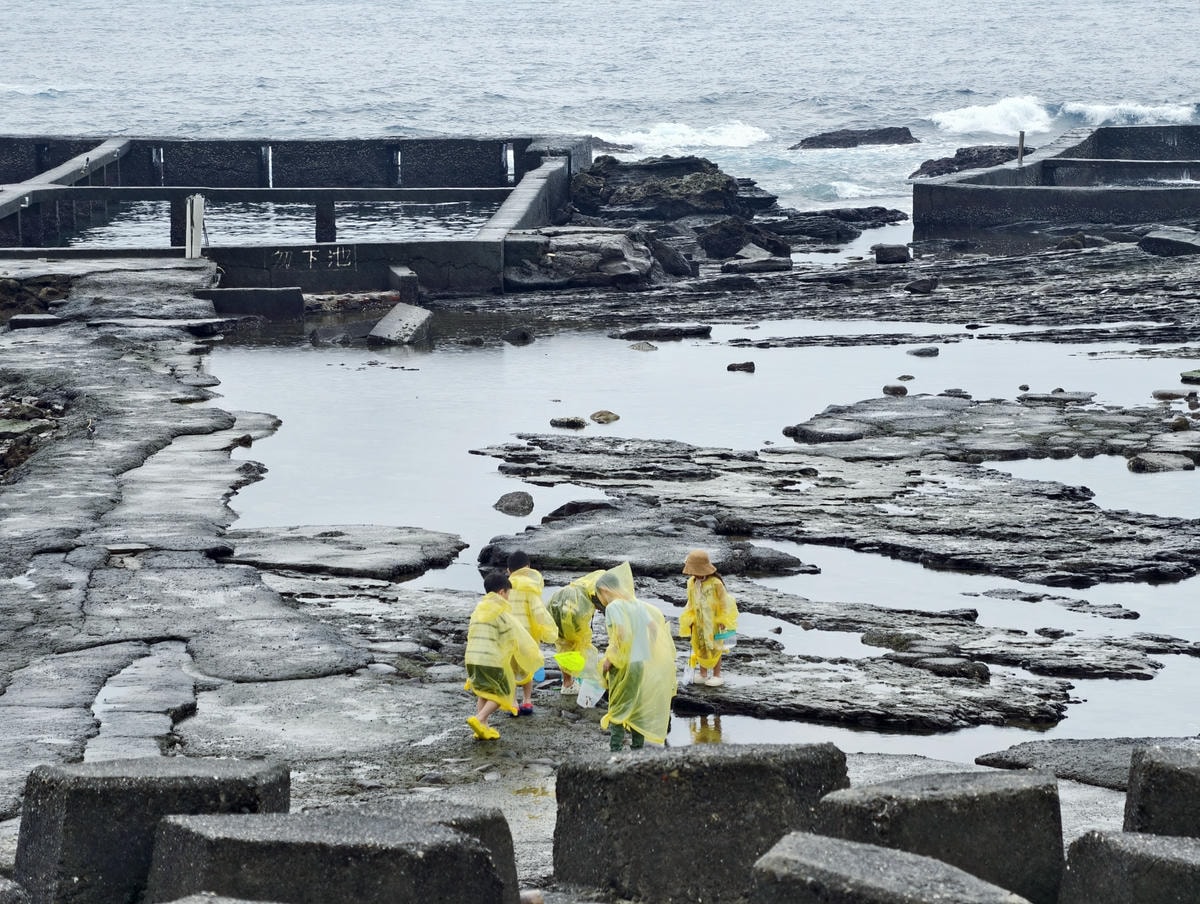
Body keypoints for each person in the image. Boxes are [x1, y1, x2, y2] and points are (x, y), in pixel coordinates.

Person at [594, 562, 677, 751]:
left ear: (606, 590)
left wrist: (609, 660)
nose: (601, 600)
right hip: (639, 663)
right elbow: (654, 628)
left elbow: (620, 635)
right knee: (636, 704)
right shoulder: (636, 604)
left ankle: (615, 751)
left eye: (601, 595)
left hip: (623, 665)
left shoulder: (613, 607)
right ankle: (637, 748)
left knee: (617, 705)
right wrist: (649, 647)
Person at [463, 571, 543, 740]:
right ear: (501, 592)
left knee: (484, 692)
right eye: (508, 594)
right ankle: (479, 719)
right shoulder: (501, 611)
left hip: (472, 658)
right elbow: (513, 636)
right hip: (491, 660)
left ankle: (482, 728)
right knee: (503, 693)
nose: (508, 598)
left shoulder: (479, 608)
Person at [506, 550, 558, 715]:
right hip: (528, 636)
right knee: (528, 667)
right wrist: (545, 630)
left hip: (509, 635)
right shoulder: (531, 587)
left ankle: (513, 702)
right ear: (528, 567)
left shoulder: (505, 585)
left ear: (509, 570)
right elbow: (538, 612)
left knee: (510, 668)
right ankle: (527, 701)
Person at [679, 549, 739, 687]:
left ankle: (717, 675)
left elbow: (725, 602)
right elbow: (690, 602)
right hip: (699, 621)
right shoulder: (691, 583)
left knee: (716, 647)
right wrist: (689, 619)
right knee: (701, 646)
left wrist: (723, 620)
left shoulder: (715, 583)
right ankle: (703, 673)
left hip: (714, 622)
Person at [546, 569, 604, 694]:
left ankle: (567, 683)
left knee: (563, 644)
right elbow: (599, 602)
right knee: (577, 644)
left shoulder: (585, 584)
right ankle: (577, 680)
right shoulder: (599, 587)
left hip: (555, 604)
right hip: (573, 611)